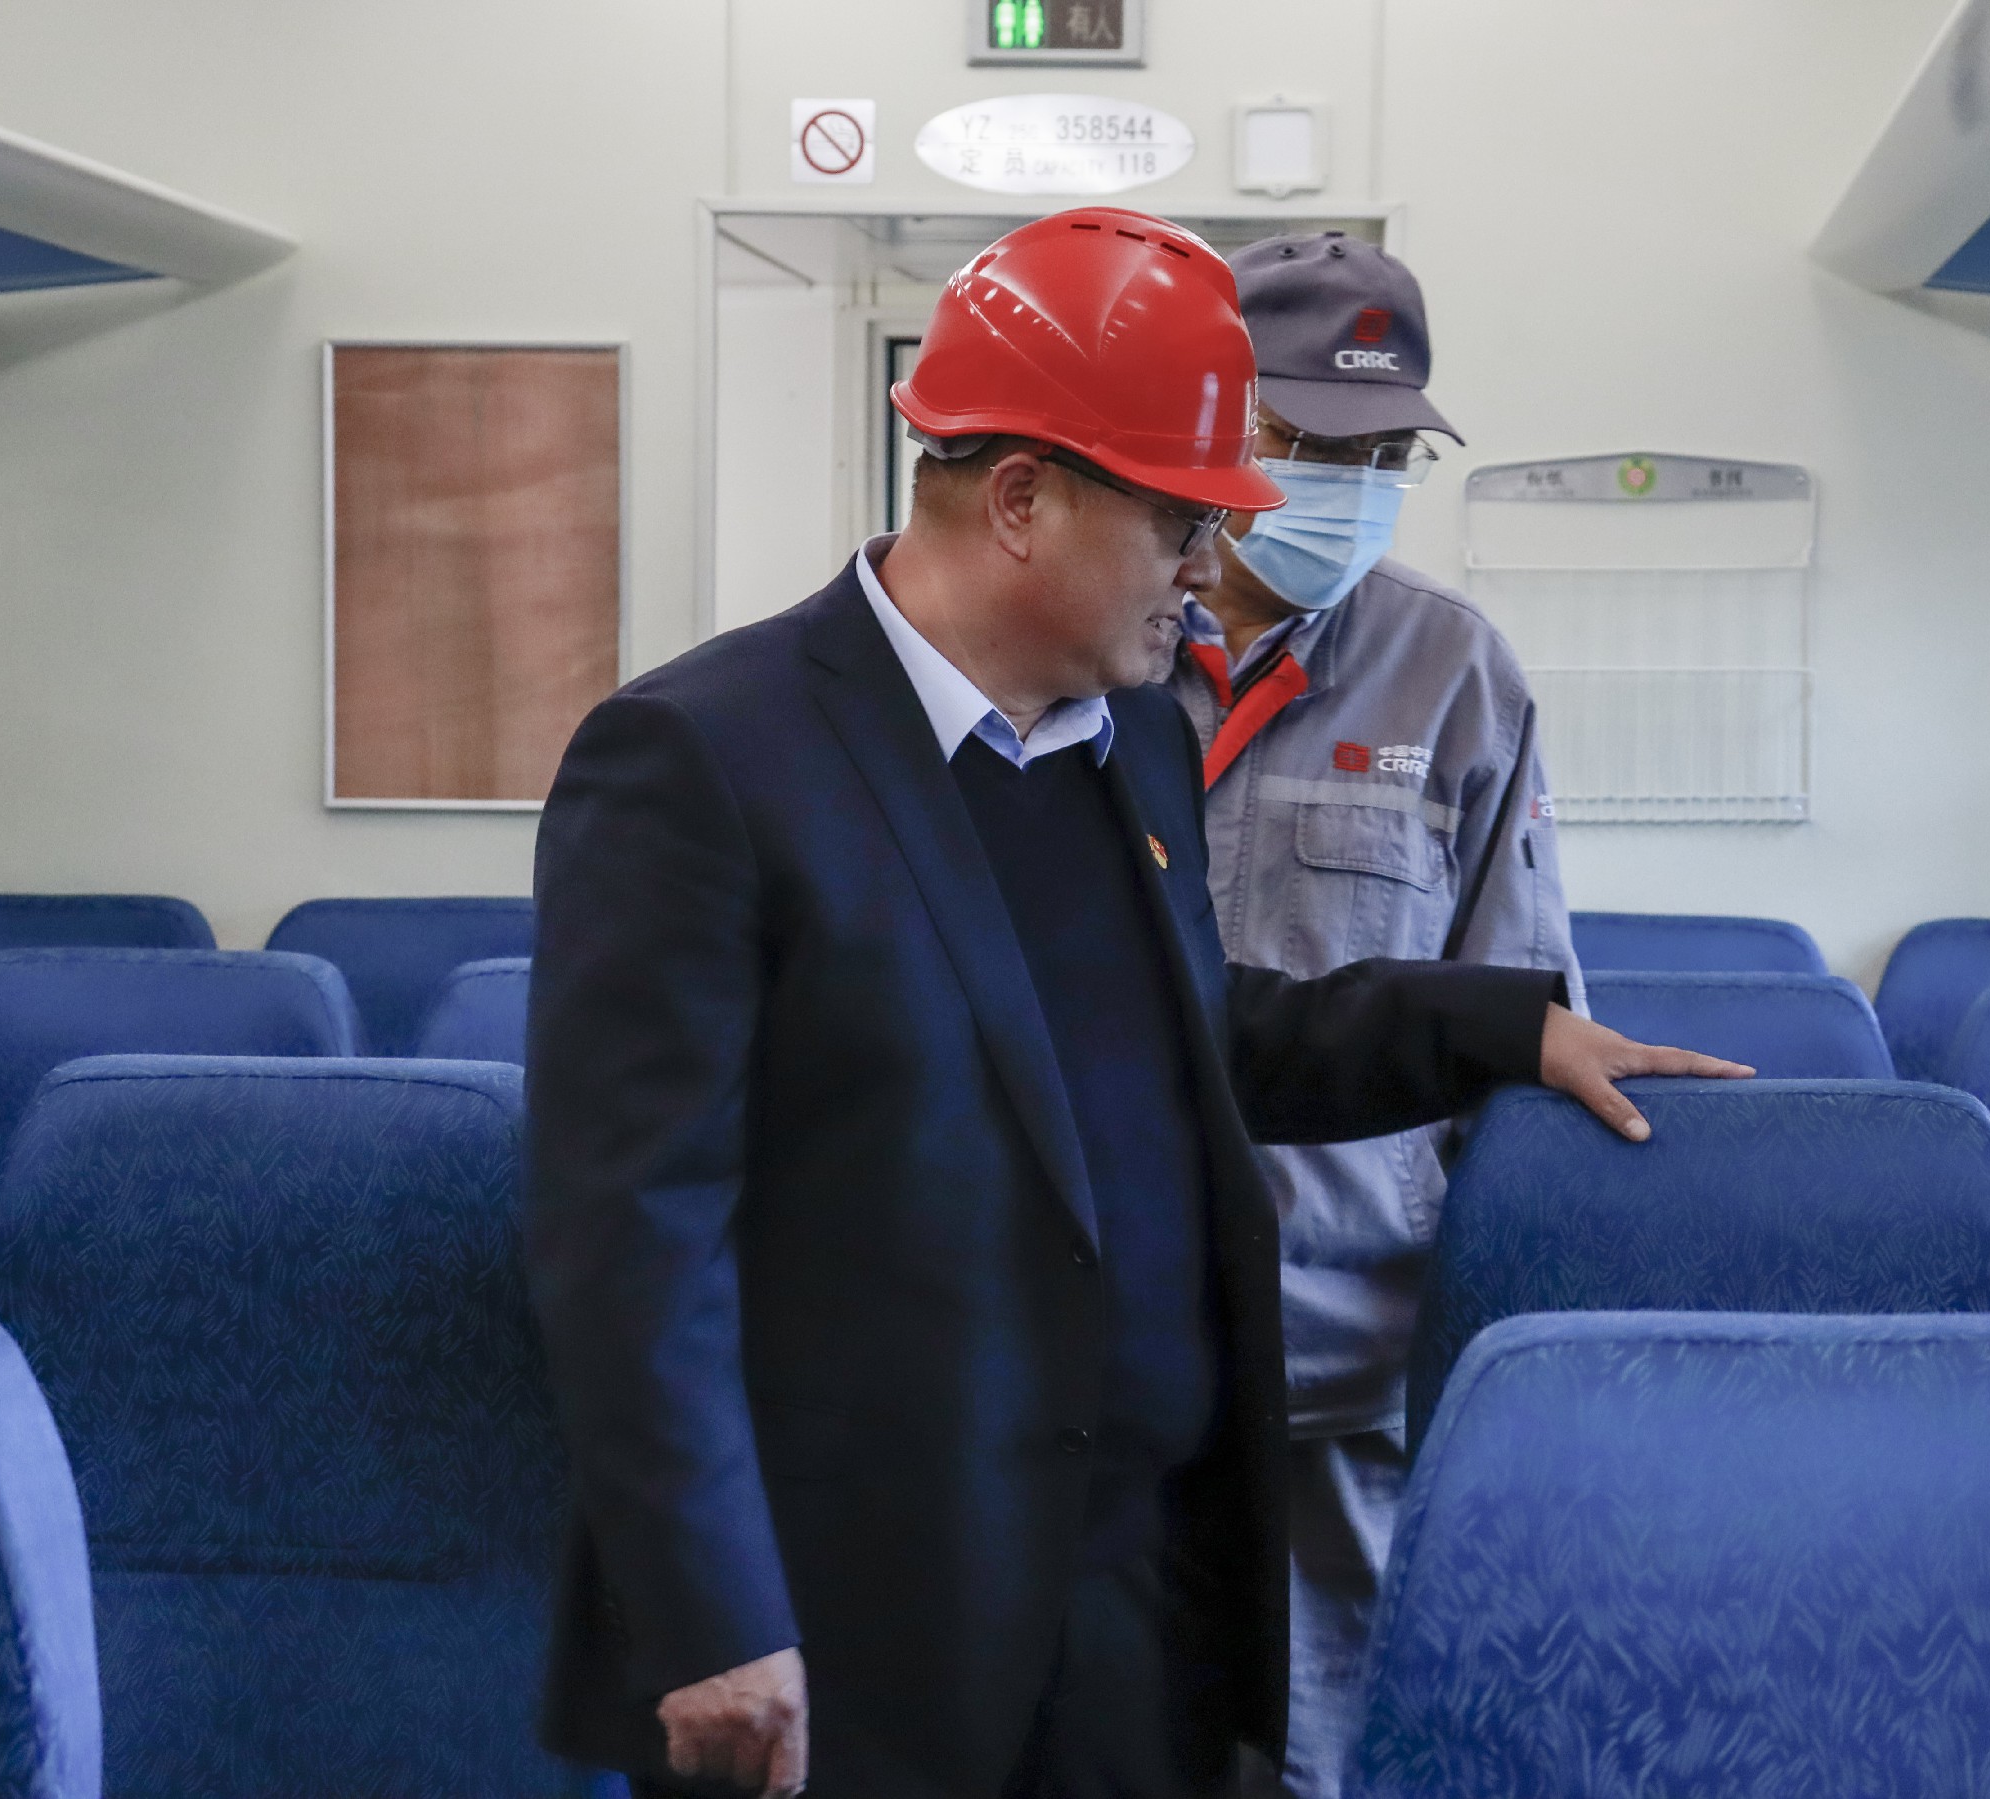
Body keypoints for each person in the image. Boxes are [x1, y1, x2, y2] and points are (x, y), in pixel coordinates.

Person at [525, 206, 1744, 1799]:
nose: (1209, 564)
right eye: (1180, 517)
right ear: (1022, 501)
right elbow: (632, 1236)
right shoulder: (703, 757)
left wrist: (1500, 1027)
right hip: (857, 1621)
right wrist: (709, 1616)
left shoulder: (1131, 740)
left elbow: (1194, 1035)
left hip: (1137, 1598)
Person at [1157, 229, 1587, 1799]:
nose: (1350, 482)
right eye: (1311, 443)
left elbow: (1516, 1027)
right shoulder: (1083, 643)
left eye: (1384, 454)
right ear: (1216, 424)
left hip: (1333, 1355)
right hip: (1086, 1351)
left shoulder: (1454, 670)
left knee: (1312, 1765)